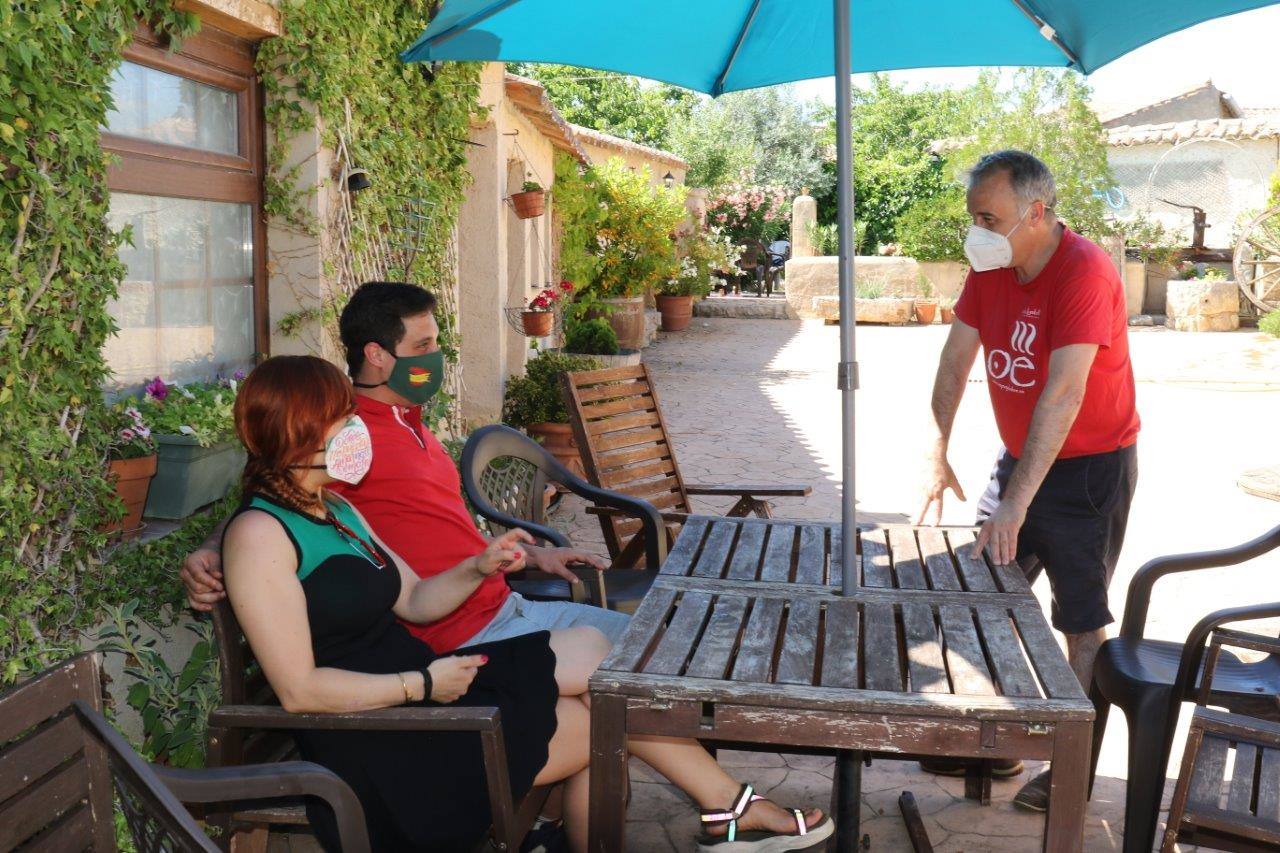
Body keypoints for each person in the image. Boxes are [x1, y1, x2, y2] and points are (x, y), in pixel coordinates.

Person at [226, 355, 832, 852]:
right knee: (610, 723)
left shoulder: (338, 509)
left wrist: (477, 565)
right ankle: (729, 810)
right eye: (343, 417)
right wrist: (421, 685)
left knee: (602, 664)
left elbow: (413, 600)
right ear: (303, 428)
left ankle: (725, 809)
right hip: (382, 732)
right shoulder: (258, 535)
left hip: (426, 692)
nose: (356, 426)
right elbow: (300, 691)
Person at [916, 150, 1140, 812]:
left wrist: (1015, 503)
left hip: (1090, 470)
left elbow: (1064, 394)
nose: (976, 230)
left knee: (1080, 624)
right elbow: (955, 359)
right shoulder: (991, 269)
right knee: (981, 593)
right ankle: (999, 740)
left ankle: (1071, 769)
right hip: (1023, 460)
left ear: (1036, 213)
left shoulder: (1086, 272)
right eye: (973, 216)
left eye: (990, 217)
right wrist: (938, 447)